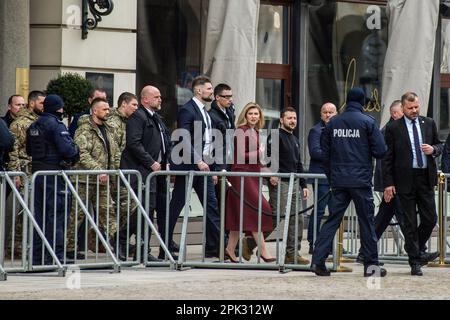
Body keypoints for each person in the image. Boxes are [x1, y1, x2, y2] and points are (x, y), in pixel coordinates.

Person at [310, 87, 387, 277]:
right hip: (360, 181)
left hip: (339, 181)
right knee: (367, 223)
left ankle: (318, 261)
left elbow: (325, 155)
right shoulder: (368, 122)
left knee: (331, 221)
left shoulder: (333, 123)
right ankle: (371, 267)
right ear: (362, 102)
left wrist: (332, 176)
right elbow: (381, 151)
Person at [383, 92, 442, 276]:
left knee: (430, 218)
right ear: (403, 107)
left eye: (416, 107)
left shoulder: (429, 123)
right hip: (404, 180)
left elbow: (439, 145)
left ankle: (414, 248)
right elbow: (387, 158)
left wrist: (433, 150)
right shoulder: (394, 128)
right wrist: (388, 183)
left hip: (425, 178)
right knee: (409, 221)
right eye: (410, 108)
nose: (415, 110)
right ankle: (415, 261)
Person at [168, 75, 221, 258]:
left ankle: (218, 248)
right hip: (188, 167)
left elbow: (208, 143)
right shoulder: (187, 110)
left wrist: (211, 168)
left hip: (204, 169)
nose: (211, 92)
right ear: (198, 90)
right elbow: (183, 137)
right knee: (176, 206)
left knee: (212, 206)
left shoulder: (205, 112)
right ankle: (164, 245)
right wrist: (198, 160)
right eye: (209, 89)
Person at [120, 85, 172, 262]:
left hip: (158, 173)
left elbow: (165, 141)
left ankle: (144, 249)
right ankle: (123, 240)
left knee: (153, 210)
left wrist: (167, 160)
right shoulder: (138, 117)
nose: (160, 99)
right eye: (156, 97)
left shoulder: (156, 118)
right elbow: (134, 143)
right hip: (144, 172)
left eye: (160, 96)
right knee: (144, 211)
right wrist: (151, 162)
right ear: (145, 100)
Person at [26, 94, 79, 264]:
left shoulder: (34, 125)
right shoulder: (56, 125)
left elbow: (29, 150)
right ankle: (55, 256)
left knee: (39, 217)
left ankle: (37, 257)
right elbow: (68, 150)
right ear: (59, 108)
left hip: (38, 175)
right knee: (57, 216)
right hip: (54, 175)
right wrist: (75, 151)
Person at [67, 97, 119, 261]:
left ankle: (117, 246)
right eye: (104, 109)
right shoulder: (84, 130)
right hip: (84, 179)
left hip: (103, 180)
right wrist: (99, 170)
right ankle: (68, 249)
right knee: (77, 215)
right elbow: (82, 154)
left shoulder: (109, 129)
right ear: (94, 111)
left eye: (108, 108)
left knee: (108, 212)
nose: (108, 111)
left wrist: (113, 172)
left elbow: (115, 151)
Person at [224, 102, 275, 263]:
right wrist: (258, 152)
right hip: (242, 175)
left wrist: (268, 173)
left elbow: (258, 161)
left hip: (252, 175)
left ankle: (230, 249)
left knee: (240, 213)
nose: (254, 116)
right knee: (258, 210)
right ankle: (263, 250)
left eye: (256, 114)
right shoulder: (241, 130)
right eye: (250, 113)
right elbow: (240, 155)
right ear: (245, 115)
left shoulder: (256, 132)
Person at [356, 100, 406, 263]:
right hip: (390, 183)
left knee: (382, 219)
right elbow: (384, 160)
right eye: (403, 111)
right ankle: (418, 250)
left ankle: (364, 252)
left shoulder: (399, 128)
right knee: (404, 216)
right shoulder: (388, 130)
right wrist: (387, 185)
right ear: (394, 113)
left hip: (395, 182)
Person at [268, 107, 309, 264]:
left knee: (297, 219)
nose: (292, 121)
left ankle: (292, 254)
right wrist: (272, 174)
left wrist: (304, 185)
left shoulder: (295, 139)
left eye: (294, 118)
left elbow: (299, 164)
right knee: (276, 217)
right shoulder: (276, 136)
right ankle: (249, 243)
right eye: (289, 118)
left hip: (294, 183)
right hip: (281, 183)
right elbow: (270, 157)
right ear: (281, 120)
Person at [307, 102, 337, 254]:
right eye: (325, 112)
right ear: (320, 114)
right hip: (321, 176)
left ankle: (331, 244)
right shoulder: (316, 130)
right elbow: (315, 152)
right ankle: (313, 243)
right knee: (319, 211)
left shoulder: (338, 130)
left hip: (335, 177)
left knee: (335, 211)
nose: (328, 114)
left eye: (331, 112)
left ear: (336, 114)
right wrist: (335, 154)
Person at [208, 83, 236, 206]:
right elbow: (211, 144)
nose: (230, 99)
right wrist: (215, 169)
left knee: (227, 201)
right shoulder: (212, 116)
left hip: (229, 163)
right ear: (217, 97)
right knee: (219, 201)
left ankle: (223, 225)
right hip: (219, 165)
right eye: (226, 97)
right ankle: (216, 226)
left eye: (231, 96)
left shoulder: (229, 112)